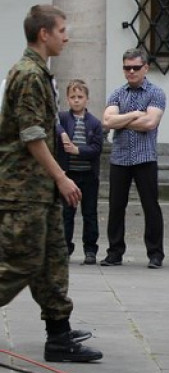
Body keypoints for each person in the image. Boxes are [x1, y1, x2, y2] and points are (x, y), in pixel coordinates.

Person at [0, 4, 102, 362]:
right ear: (44, 34)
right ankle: (58, 335)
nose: (66, 37)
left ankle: (59, 336)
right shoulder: (28, 74)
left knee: (52, 260)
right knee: (21, 262)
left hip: (39, 189)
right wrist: (61, 177)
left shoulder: (40, 73)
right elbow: (31, 135)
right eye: (61, 30)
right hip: (22, 189)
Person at [101, 47, 166, 269]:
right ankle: (114, 252)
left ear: (145, 68)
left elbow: (150, 123)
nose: (131, 72)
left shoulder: (156, 93)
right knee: (116, 206)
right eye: (127, 68)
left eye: (136, 68)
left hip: (145, 157)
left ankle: (155, 253)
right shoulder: (117, 93)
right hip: (120, 157)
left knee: (151, 206)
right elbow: (107, 121)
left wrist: (121, 120)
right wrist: (135, 114)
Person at [56, 79, 103, 265]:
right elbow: (53, 123)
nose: (76, 100)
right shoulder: (62, 119)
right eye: (73, 97)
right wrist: (62, 133)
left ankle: (90, 249)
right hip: (69, 175)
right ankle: (65, 248)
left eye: (80, 97)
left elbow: (97, 148)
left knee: (89, 213)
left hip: (89, 175)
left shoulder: (95, 123)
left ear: (87, 99)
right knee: (66, 214)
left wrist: (78, 150)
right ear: (67, 99)